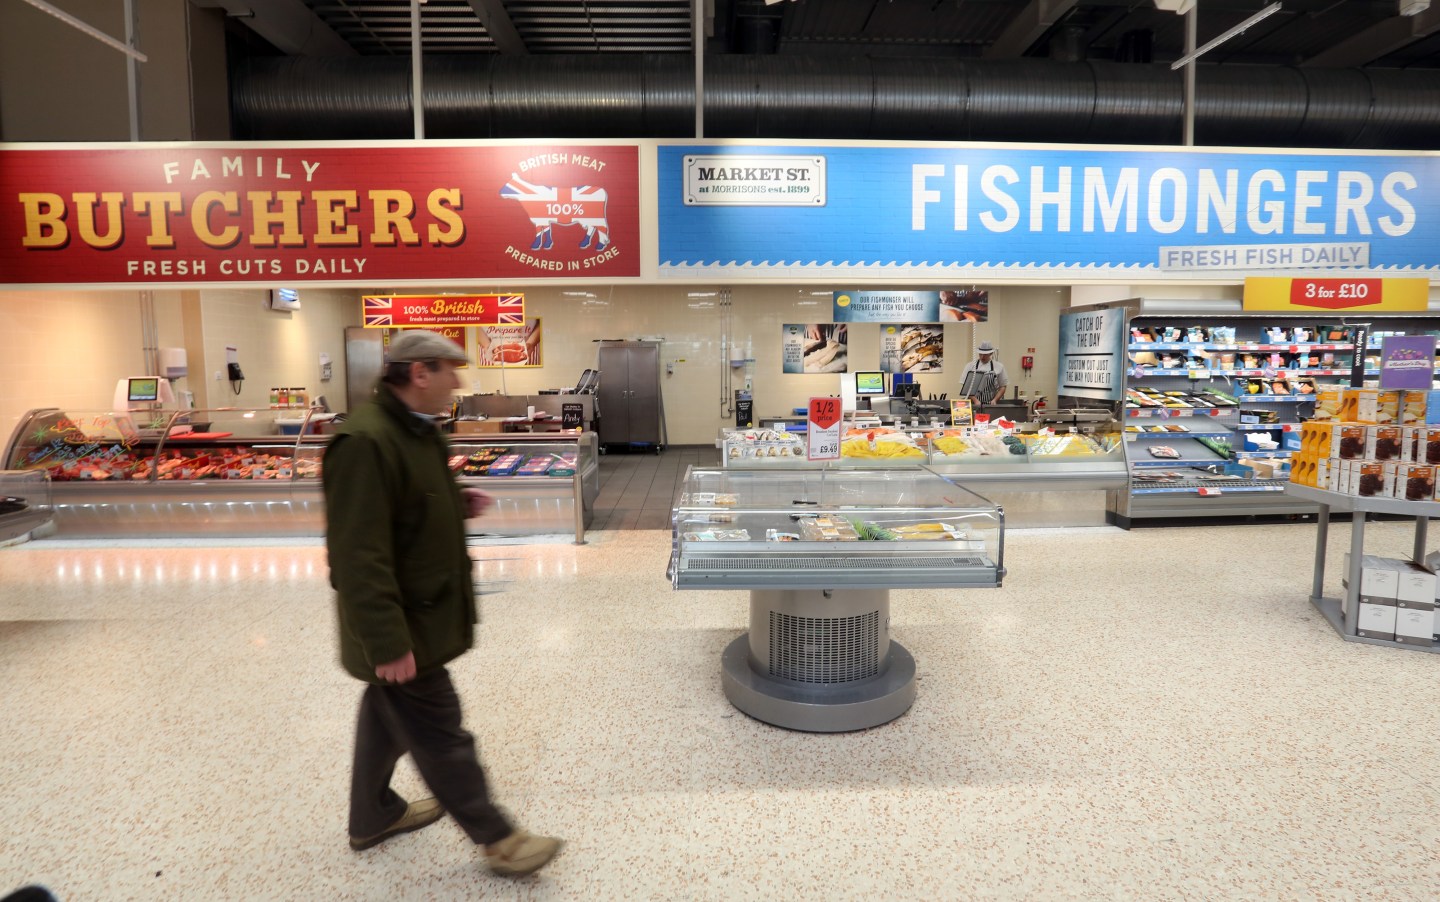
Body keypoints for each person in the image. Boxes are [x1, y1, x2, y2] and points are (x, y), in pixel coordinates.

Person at [323, 329, 563, 878]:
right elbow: (357, 556)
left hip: (426, 608)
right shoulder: (364, 442)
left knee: (386, 712)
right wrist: (386, 641)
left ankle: (372, 815)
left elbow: (406, 500)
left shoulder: (414, 430)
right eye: (450, 372)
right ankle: (499, 840)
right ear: (419, 373)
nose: (457, 383)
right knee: (439, 729)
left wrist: (454, 502)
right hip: (406, 621)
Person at [961, 340, 1009, 405]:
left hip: (991, 403)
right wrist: (975, 400)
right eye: (980, 354)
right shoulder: (970, 366)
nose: (982, 357)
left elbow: (1003, 386)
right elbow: (966, 386)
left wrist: (995, 400)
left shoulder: (999, 366)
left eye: (985, 354)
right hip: (974, 403)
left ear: (991, 353)